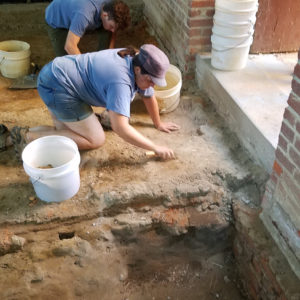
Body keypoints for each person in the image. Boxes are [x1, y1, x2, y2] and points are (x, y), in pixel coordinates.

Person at [0, 44, 180, 160]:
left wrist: (158, 123)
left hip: (60, 74)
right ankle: (26, 138)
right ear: (139, 70)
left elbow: (148, 94)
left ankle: (13, 136)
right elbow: (121, 128)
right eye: (151, 80)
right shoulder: (121, 82)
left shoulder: (135, 59)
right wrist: (155, 147)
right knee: (95, 139)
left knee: (67, 133)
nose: (152, 85)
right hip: (58, 86)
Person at [45, 0, 131, 56]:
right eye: (112, 27)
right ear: (105, 15)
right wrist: (87, 69)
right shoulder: (84, 15)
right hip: (57, 19)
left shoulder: (111, 6)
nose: (113, 31)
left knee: (107, 31)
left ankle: (102, 58)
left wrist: (110, 52)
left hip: (78, 13)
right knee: (65, 60)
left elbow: (113, 30)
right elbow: (69, 46)